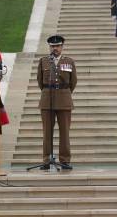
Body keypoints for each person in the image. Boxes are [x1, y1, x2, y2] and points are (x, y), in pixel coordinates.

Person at [37, 35, 77, 170]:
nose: (55, 48)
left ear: (62, 46)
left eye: (58, 46)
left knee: (64, 131)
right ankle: (46, 159)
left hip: (64, 99)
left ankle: (65, 160)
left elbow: (73, 82)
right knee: (47, 131)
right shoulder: (43, 61)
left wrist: (63, 92)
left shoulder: (69, 61)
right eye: (53, 46)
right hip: (47, 99)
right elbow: (40, 81)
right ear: (50, 47)